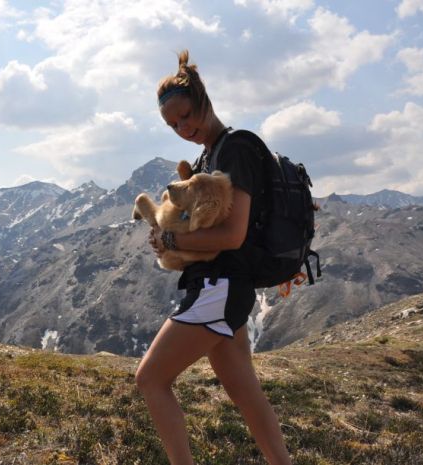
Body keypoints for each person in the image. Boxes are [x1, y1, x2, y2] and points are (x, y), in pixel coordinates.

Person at [134, 50, 293, 465]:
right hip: (222, 286)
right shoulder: (209, 158)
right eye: (173, 125)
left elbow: (232, 235)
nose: (182, 128)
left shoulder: (234, 149)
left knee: (150, 379)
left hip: (219, 286)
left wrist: (170, 238)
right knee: (245, 394)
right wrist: (171, 243)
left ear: (203, 99)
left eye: (185, 116)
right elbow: (203, 234)